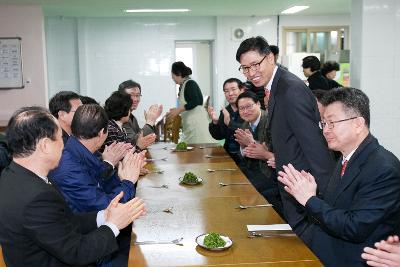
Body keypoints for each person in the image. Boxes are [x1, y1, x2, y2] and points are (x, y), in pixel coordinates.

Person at [0, 106, 146, 267]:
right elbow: (77, 253)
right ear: (45, 145)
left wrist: (104, 215)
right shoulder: (36, 196)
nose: (64, 146)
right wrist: (114, 225)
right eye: (60, 139)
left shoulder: (12, 175)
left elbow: (63, 221)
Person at [277, 88, 400, 266]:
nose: (325, 130)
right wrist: (313, 192)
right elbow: (338, 207)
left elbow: (354, 228)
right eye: (324, 123)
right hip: (326, 243)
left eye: (332, 123)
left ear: (358, 123)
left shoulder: (383, 168)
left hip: (351, 257)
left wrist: (309, 199)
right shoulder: (346, 156)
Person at [236, 36, 334, 244]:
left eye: (255, 65)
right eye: (245, 68)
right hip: (291, 181)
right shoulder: (276, 86)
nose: (251, 73)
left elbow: (314, 146)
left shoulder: (290, 90)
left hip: (303, 186)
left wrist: (323, 198)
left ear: (270, 57)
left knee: (304, 249)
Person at [234, 91, 282, 216]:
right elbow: (244, 154)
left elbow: (275, 152)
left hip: (271, 175)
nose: (246, 111)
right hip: (253, 171)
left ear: (258, 104)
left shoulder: (270, 121)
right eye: (241, 108)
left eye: (249, 106)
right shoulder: (245, 124)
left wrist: (251, 142)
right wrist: (244, 146)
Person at [167, 61, 216, 144]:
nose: (172, 78)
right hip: (191, 122)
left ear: (178, 73)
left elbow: (196, 101)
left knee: (198, 147)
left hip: (196, 122)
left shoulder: (190, 84)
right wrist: (177, 110)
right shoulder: (184, 85)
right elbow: (188, 103)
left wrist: (179, 109)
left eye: (172, 75)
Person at [208, 78, 244, 163]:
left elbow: (249, 130)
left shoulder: (248, 109)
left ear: (242, 90)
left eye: (233, 89)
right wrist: (215, 122)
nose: (230, 94)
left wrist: (230, 123)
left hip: (247, 159)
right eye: (226, 91)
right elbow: (219, 136)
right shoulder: (225, 111)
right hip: (229, 156)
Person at [118, 79, 161, 149]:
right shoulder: (119, 117)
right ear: (121, 96)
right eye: (131, 95)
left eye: (137, 95)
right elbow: (134, 142)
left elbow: (143, 137)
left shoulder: (132, 117)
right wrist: (150, 122)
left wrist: (151, 121)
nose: (135, 99)